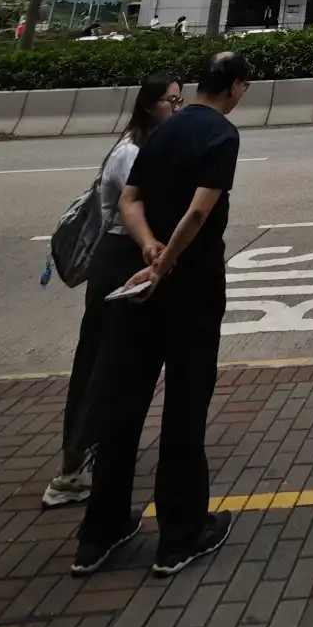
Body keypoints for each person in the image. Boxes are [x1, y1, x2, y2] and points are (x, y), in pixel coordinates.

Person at [71, 49, 253, 578]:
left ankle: (99, 533)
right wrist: (167, 261)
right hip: (190, 287)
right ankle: (180, 536)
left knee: (123, 405)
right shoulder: (221, 134)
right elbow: (199, 212)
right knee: (185, 406)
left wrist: (149, 248)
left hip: (140, 284)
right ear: (235, 87)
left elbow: (130, 200)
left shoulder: (164, 130)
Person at [41, 74, 184, 509]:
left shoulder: (147, 146)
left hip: (131, 257)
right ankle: (72, 470)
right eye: (170, 102)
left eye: (180, 101)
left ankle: (99, 450)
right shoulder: (130, 153)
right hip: (119, 260)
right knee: (99, 365)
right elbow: (144, 205)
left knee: (118, 361)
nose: (176, 109)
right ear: (148, 105)